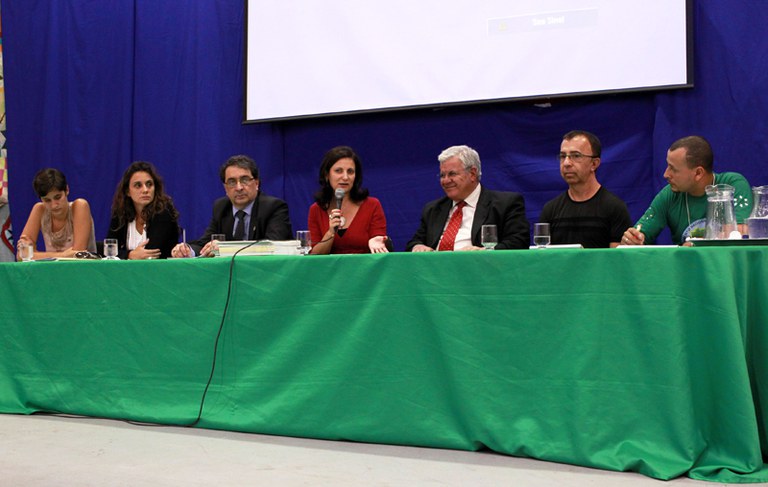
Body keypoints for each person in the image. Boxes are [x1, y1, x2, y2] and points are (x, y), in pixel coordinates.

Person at [622, 135, 753, 245]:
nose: (666, 174)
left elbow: (738, 233)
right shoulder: (669, 195)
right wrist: (632, 239)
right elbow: (640, 234)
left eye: (673, 169)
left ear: (698, 173)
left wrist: (696, 244)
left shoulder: (732, 185)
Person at [406, 145, 529, 251]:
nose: (446, 180)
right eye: (442, 175)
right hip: (435, 272)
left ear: (472, 174)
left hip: (481, 271)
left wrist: (485, 251)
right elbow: (415, 242)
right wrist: (417, 246)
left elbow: (519, 241)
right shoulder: (433, 209)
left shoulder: (505, 204)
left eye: (452, 174)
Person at [171, 154, 292, 257]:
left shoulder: (273, 207)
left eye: (244, 180)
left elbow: (271, 246)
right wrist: (187, 250)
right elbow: (205, 243)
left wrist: (224, 248)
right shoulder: (221, 207)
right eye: (232, 182)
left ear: (256, 183)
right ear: (225, 188)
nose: (239, 188)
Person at [538, 130, 632, 248]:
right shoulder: (550, 210)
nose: (566, 163)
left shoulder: (614, 208)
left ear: (594, 164)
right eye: (563, 156)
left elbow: (617, 260)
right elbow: (543, 258)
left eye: (576, 156)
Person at [307, 146, 389, 254]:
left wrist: (379, 241)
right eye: (338, 171)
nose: (345, 177)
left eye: (350, 172)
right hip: (330, 269)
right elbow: (314, 256)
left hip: (364, 269)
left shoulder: (372, 205)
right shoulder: (316, 209)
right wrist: (330, 232)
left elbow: (378, 243)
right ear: (327, 175)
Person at [16, 168, 97, 260]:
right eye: (47, 200)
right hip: (51, 271)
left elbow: (78, 255)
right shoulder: (39, 209)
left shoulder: (79, 206)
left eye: (58, 197)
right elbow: (21, 256)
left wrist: (36, 255)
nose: (54, 205)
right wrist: (65, 255)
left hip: (84, 271)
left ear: (67, 190)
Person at [107, 161, 180, 259]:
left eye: (149, 184)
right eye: (138, 185)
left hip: (159, 271)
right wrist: (130, 255)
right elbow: (109, 250)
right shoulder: (121, 214)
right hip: (127, 272)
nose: (145, 190)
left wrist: (125, 255)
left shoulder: (164, 212)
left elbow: (151, 254)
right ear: (128, 191)